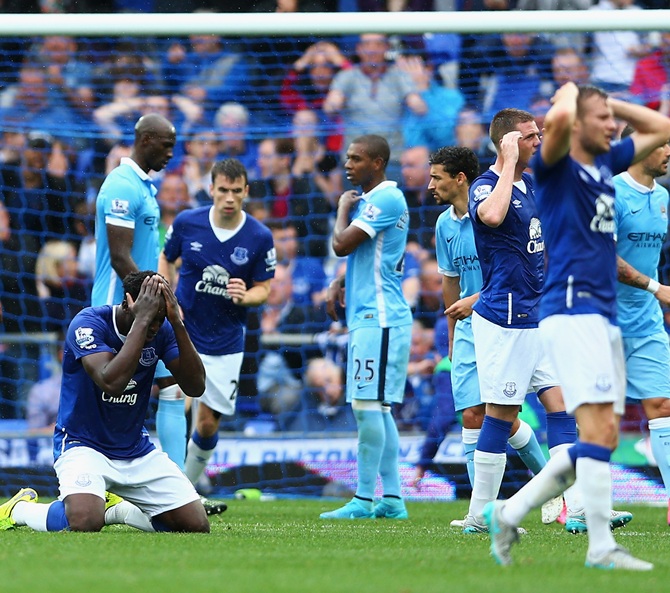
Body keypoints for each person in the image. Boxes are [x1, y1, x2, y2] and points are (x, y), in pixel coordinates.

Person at [481, 84, 670, 570]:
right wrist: (570, 95)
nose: (612, 126)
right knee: (597, 430)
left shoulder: (605, 165)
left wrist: (607, 103)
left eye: (612, 119)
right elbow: (561, 119)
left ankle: (510, 511)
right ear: (578, 124)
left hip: (600, 313)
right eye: (602, 119)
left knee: (601, 436)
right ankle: (600, 547)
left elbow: (661, 128)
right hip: (570, 310)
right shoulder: (555, 166)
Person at [0, 271, 210, 533]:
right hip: (82, 444)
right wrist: (142, 322)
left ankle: (115, 508)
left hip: (134, 448)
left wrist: (177, 322)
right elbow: (111, 381)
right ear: (127, 303)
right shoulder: (88, 323)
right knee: (85, 522)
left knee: (195, 526)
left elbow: (196, 386)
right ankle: (19, 509)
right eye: (150, 318)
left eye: (160, 318)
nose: (155, 327)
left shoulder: (164, 329)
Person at [416, 145, 557, 528]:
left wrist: (474, 301)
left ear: (459, 178)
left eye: (436, 177)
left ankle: (550, 492)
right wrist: (450, 333)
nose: (429, 184)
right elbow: (450, 281)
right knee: (473, 416)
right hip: (467, 330)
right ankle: (481, 513)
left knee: (501, 415)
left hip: (504, 320)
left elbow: (516, 269)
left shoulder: (501, 211)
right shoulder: (444, 224)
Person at [464, 108, 580, 534]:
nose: (539, 140)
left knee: (563, 406)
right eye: (530, 136)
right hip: (504, 319)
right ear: (507, 142)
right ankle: (480, 515)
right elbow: (492, 218)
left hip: (538, 314)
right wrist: (507, 163)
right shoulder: (484, 187)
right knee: (501, 413)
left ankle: (579, 507)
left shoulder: (532, 183)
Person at [159, 158, 276, 492]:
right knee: (174, 402)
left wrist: (246, 295)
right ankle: (168, 493)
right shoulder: (187, 223)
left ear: (246, 192)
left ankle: (187, 489)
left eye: (235, 191)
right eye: (222, 190)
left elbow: (264, 289)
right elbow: (166, 258)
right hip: (183, 332)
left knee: (208, 424)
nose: (228, 197)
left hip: (225, 340)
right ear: (211, 189)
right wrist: (168, 297)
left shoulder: (259, 236)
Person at [320, 134, 412, 520]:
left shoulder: (385, 198)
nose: (348, 164)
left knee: (365, 406)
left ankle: (362, 499)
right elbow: (367, 255)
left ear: (377, 163)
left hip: (380, 318)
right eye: (347, 158)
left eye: (356, 159)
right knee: (378, 407)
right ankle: (391, 499)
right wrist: (341, 282)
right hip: (371, 316)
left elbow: (341, 244)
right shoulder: (377, 201)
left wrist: (342, 208)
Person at [90, 113, 187, 473]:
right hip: (119, 307)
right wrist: (155, 303)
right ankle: (95, 478)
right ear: (146, 140)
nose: (170, 154)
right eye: (166, 146)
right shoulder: (121, 187)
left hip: (146, 308)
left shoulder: (143, 185)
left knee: (172, 388)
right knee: (111, 395)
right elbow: (119, 257)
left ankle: (181, 487)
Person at [614, 125, 670, 524]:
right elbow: (602, 258)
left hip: (646, 321)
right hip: (603, 321)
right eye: (661, 145)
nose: (668, 152)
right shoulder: (611, 192)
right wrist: (657, 288)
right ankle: (578, 503)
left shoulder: (663, 197)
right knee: (597, 419)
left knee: (663, 407)